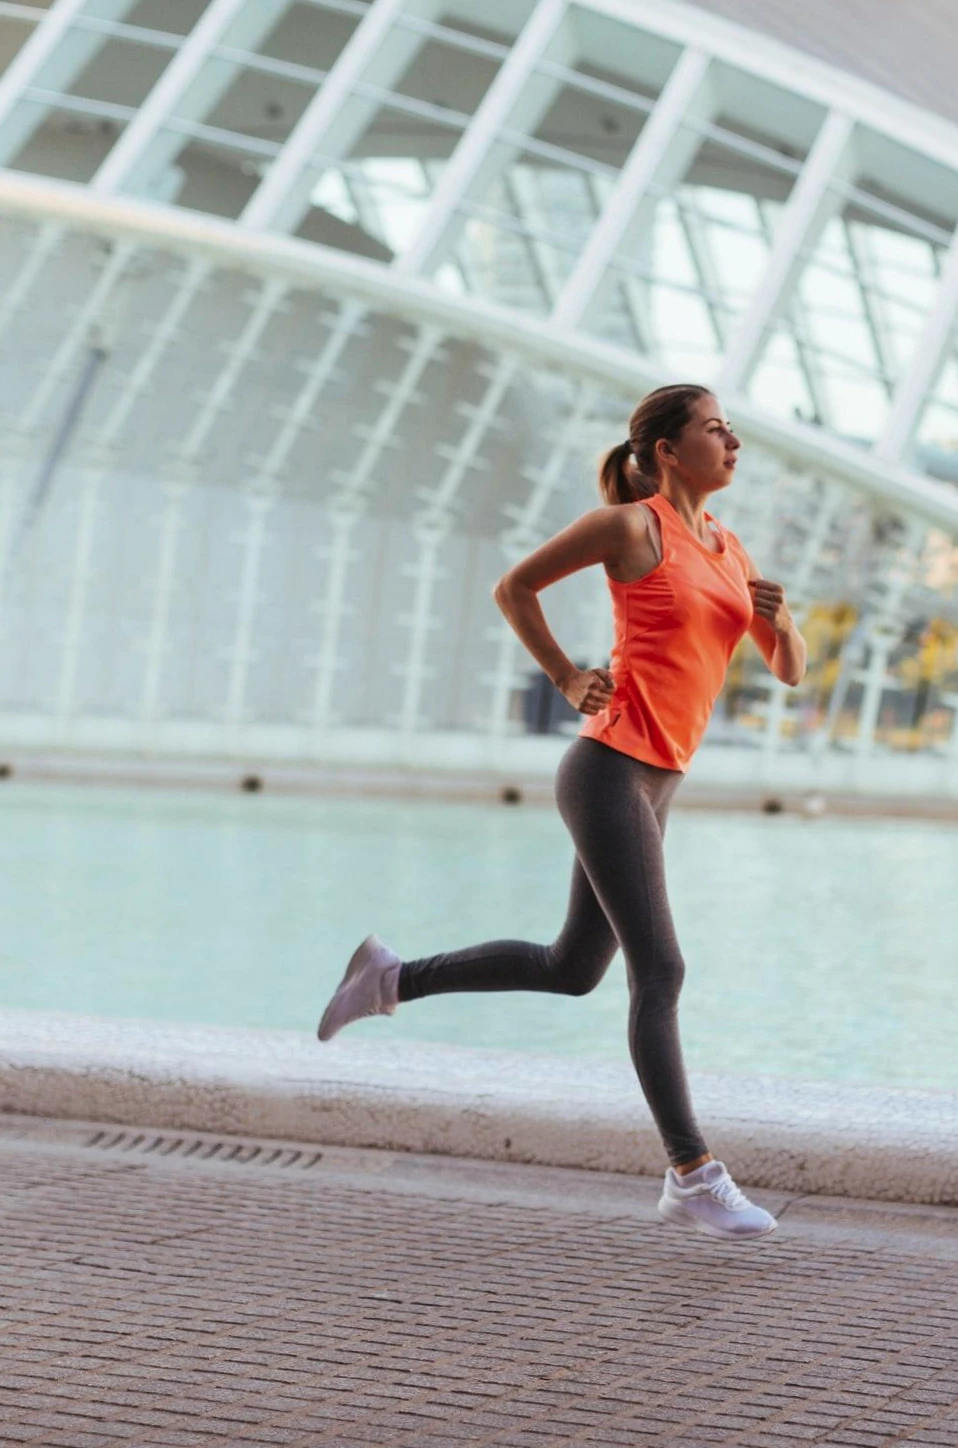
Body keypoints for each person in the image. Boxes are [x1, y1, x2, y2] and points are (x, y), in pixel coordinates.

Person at [317, 384, 808, 1242]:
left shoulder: (729, 546)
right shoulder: (632, 526)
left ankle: (388, 978)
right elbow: (517, 587)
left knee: (573, 965)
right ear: (665, 449)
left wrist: (784, 617)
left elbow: (789, 668)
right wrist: (565, 675)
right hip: (609, 767)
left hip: (660, 780)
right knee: (661, 973)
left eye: (733, 428)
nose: (732, 440)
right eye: (714, 428)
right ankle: (692, 1173)